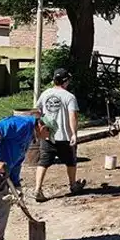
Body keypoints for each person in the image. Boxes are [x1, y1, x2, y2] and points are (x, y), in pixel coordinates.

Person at [32, 68, 85, 203]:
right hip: (64, 136)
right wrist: (73, 134)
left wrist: (40, 127)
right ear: (66, 81)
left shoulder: (45, 94)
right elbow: (72, 116)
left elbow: (37, 111)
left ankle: (37, 189)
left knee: (43, 161)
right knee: (71, 161)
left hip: (48, 135)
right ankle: (73, 185)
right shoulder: (69, 97)